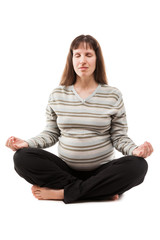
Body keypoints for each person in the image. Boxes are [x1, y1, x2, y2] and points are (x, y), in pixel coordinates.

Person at [6, 35, 153, 203]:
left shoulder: (113, 95)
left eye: (88, 55)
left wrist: (135, 150)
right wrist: (27, 143)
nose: (83, 60)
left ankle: (64, 193)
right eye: (78, 55)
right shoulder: (57, 95)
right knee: (22, 158)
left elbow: (119, 136)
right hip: (65, 171)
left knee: (138, 166)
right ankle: (97, 191)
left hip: (102, 171)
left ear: (97, 59)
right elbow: (51, 133)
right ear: (72, 59)